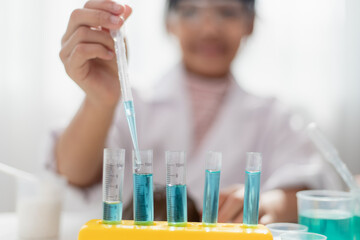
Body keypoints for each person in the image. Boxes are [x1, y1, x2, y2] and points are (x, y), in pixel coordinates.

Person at [51, 0, 338, 224]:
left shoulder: (275, 115)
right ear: (168, 23)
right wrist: (101, 100)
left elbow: (304, 186)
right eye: (190, 11)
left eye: (227, 12)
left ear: (250, 23)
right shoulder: (133, 102)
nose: (209, 29)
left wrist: (263, 204)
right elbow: (73, 173)